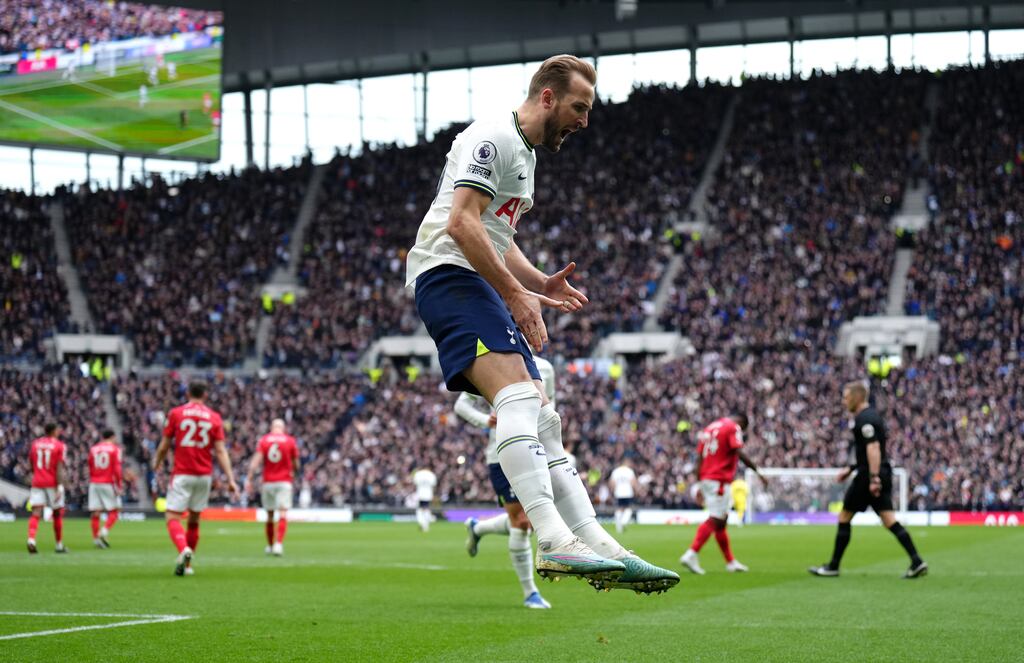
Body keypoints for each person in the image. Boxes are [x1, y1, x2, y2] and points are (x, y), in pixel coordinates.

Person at [405, 53, 677, 593]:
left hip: (475, 280)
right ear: (547, 97)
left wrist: (536, 281)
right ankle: (554, 539)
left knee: (543, 419)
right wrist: (518, 297)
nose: (584, 120)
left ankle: (603, 546)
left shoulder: (525, 156)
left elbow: (495, 235)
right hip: (449, 277)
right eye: (579, 106)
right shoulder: (494, 138)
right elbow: (461, 225)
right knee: (521, 403)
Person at [460, 356, 556, 609]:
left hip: (535, 450)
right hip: (502, 452)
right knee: (523, 521)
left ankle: (477, 529)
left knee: (529, 518)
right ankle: (530, 593)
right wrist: (485, 421)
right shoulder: (488, 361)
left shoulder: (544, 367)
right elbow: (462, 404)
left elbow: (549, 404)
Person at [809, 382, 928, 579]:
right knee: (889, 520)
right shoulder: (871, 416)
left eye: (846, 397)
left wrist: (873, 479)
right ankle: (916, 561)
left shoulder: (865, 419)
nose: (844, 400)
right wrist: (850, 469)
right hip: (877, 472)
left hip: (869, 476)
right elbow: (870, 451)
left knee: (844, 516)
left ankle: (833, 566)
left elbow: (873, 449)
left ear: (856, 397)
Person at [153, 381, 240, 576]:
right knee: (194, 519)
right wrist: (231, 479)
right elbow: (220, 450)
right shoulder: (214, 417)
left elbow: (165, 444)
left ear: (188, 394)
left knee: (172, 517)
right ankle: (189, 566)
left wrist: (157, 461)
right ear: (205, 395)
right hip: (203, 475)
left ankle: (184, 549)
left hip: (183, 473)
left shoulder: (176, 413)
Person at [681, 414, 767, 575]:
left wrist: (700, 483)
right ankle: (691, 553)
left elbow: (700, 457)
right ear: (742, 424)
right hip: (719, 479)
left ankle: (730, 562)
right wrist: (758, 471)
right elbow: (738, 452)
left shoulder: (710, 427)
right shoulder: (733, 427)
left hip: (707, 477)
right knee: (716, 518)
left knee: (722, 520)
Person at [246, 419, 299, 556]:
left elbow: (256, 461)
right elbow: (296, 463)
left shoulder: (264, 440)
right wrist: (295, 472)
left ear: (271, 427)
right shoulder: (290, 441)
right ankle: (278, 544)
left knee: (269, 515)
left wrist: (250, 477)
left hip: (268, 481)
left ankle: (270, 545)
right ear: (283, 428)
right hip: (284, 481)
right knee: (282, 513)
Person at [26, 423, 67, 554]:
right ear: (54, 431)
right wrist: (60, 485)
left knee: (36, 512)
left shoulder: (35, 444)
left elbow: (31, 464)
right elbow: (59, 467)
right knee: (57, 513)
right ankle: (59, 545)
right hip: (53, 483)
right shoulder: (59, 445)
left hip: (37, 481)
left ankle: (31, 540)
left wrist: (37, 474)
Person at [88, 429, 123, 549]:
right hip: (107, 482)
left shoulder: (93, 449)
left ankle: (96, 540)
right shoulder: (115, 449)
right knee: (116, 509)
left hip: (94, 482)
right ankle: (104, 531)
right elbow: (117, 469)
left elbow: (90, 466)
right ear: (112, 437)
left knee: (95, 512)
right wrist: (119, 485)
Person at [609, 459, 638, 534]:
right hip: (627, 492)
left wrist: (613, 491)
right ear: (626, 462)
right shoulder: (629, 471)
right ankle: (624, 521)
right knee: (628, 508)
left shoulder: (616, 471)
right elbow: (633, 482)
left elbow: (612, 482)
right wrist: (635, 490)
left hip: (618, 492)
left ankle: (619, 526)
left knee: (620, 508)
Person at [412, 467, 437, 532]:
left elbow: (415, 483)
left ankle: (423, 524)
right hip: (428, 494)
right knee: (426, 509)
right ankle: (425, 525)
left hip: (420, 494)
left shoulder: (418, 474)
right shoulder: (431, 474)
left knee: (420, 509)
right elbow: (434, 485)